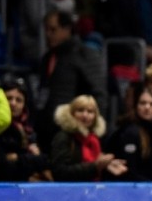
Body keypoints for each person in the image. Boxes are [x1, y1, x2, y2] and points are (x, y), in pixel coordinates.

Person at [35, 10, 106, 151]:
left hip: (76, 134)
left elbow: (98, 94)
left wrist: (91, 129)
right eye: (46, 30)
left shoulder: (84, 54)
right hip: (47, 132)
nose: (48, 35)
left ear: (67, 29)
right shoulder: (47, 58)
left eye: (53, 29)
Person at [105, 82, 152, 182]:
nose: (147, 107)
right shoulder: (129, 132)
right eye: (142, 103)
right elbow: (129, 172)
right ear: (136, 106)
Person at [50, 94, 127, 181]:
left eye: (90, 111)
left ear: (95, 116)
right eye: (80, 110)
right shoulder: (64, 137)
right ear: (72, 113)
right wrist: (95, 166)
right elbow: (60, 173)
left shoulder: (94, 139)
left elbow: (94, 169)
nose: (85, 115)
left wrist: (107, 165)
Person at [0, 80, 52, 182]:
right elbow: (5, 165)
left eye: (19, 100)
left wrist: (18, 158)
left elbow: (45, 161)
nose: (13, 103)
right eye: (8, 98)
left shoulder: (28, 129)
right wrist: (33, 158)